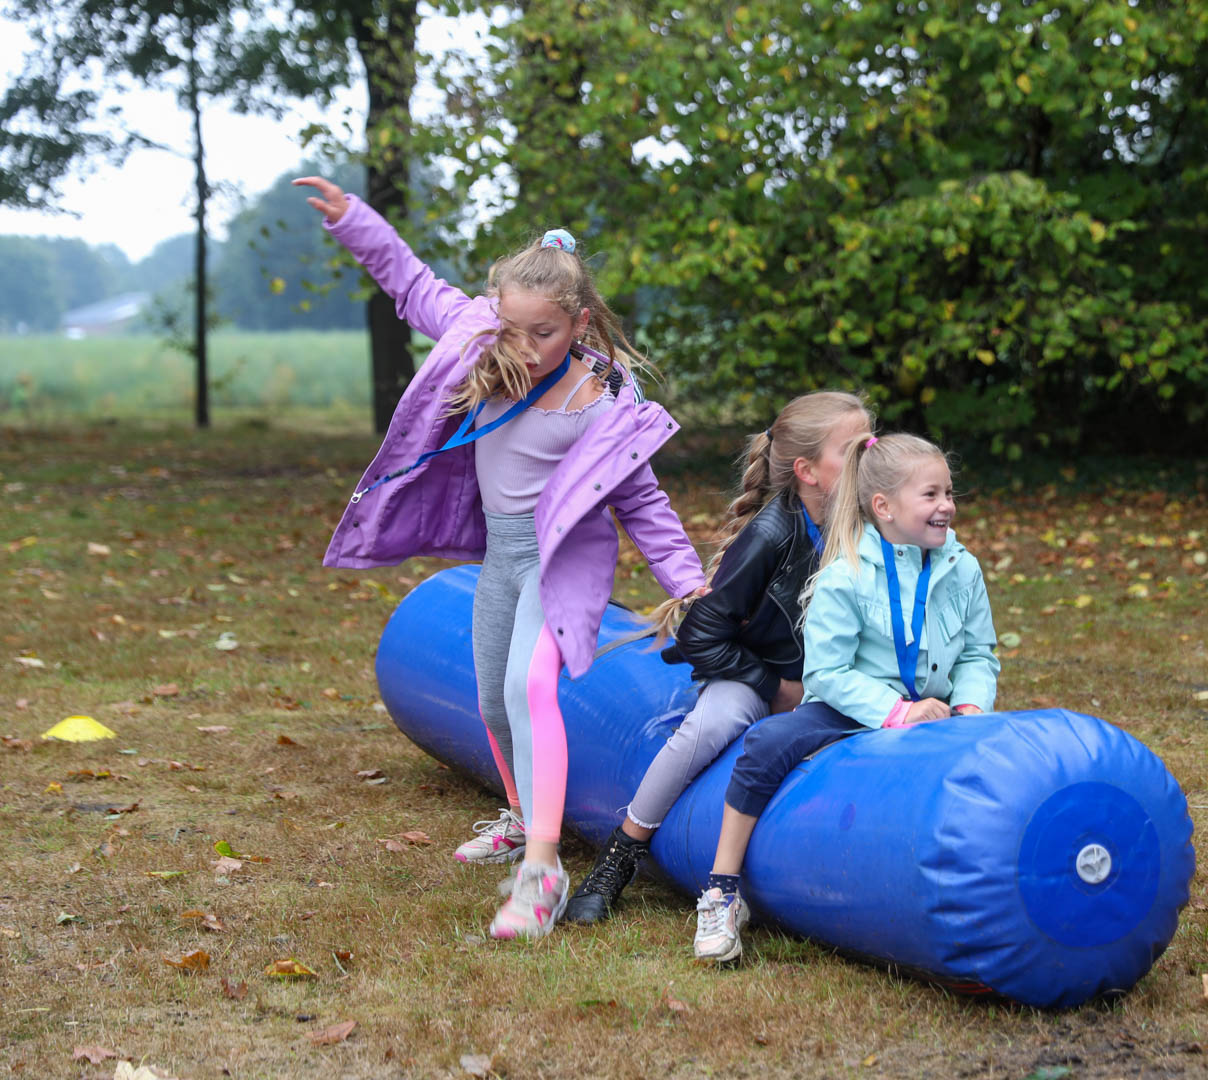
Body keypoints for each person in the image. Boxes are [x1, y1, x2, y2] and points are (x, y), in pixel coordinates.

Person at [295, 176, 707, 940]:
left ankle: (542, 872)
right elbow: (411, 283)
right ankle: (522, 817)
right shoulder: (481, 339)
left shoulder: (602, 402)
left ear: (579, 323)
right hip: (501, 557)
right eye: (512, 330)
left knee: (529, 687)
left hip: (561, 562)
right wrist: (355, 221)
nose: (524, 347)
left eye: (543, 333)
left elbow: (643, 504)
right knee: (491, 700)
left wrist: (690, 585)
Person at [560, 392, 874, 923]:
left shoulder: (870, 520)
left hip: (833, 678)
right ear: (807, 471)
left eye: (871, 442)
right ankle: (622, 852)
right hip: (756, 676)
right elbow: (701, 636)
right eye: (854, 449)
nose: (871, 455)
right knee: (712, 725)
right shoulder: (771, 535)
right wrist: (774, 688)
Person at [692, 433, 1000, 963]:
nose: (947, 505)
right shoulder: (845, 574)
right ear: (884, 507)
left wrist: (970, 709)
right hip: (848, 710)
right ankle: (723, 888)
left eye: (949, 493)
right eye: (931, 494)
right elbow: (828, 673)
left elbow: (977, 654)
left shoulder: (962, 567)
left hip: (938, 711)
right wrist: (897, 712)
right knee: (767, 744)